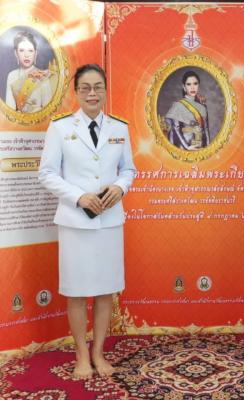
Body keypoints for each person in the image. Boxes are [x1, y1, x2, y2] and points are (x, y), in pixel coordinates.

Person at [39, 64, 135, 379]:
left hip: (109, 222)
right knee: (77, 291)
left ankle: (99, 352)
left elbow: (129, 170)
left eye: (98, 87)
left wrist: (120, 187)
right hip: (75, 223)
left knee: (105, 290)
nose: (92, 93)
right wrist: (78, 196)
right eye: (85, 88)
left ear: (105, 90)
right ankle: (81, 355)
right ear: (76, 92)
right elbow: (47, 173)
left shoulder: (119, 128)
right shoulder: (60, 128)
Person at [5, 31, 54, 113]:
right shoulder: (12, 76)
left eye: (30, 50)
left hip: (39, 120)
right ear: (16, 53)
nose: (26, 55)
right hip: (16, 120)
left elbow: (49, 111)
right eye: (21, 50)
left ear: (35, 53)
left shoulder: (42, 76)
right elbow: (9, 111)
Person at [165, 70, 210, 150]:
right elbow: (176, 130)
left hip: (201, 147)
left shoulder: (203, 107)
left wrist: (208, 148)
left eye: (195, 83)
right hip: (184, 148)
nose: (192, 87)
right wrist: (187, 147)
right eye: (189, 84)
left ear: (198, 85)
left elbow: (206, 129)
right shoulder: (178, 106)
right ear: (184, 87)